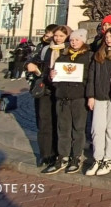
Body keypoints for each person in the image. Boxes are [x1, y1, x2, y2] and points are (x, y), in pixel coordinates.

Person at [45, 29, 93, 174]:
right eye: (72, 40)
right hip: (62, 97)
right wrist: (52, 77)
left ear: (83, 41)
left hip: (79, 97)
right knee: (63, 128)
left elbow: (90, 78)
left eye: (77, 40)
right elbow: (54, 79)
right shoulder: (63, 56)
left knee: (78, 128)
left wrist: (89, 94)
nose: (74, 42)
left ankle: (76, 156)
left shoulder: (88, 57)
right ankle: (63, 156)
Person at [85, 26, 111, 177]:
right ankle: (98, 158)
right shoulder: (98, 54)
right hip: (99, 96)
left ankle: (108, 158)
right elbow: (92, 76)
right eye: (107, 36)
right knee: (97, 129)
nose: (108, 39)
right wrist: (91, 95)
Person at [25, 24, 59, 168]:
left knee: (58, 122)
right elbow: (29, 62)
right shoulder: (43, 48)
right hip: (44, 89)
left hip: (60, 91)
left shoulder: (66, 48)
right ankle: (46, 154)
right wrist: (36, 71)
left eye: (55, 35)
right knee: (44, 122)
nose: (52, 38)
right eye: (49, 35)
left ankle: (58, 152)